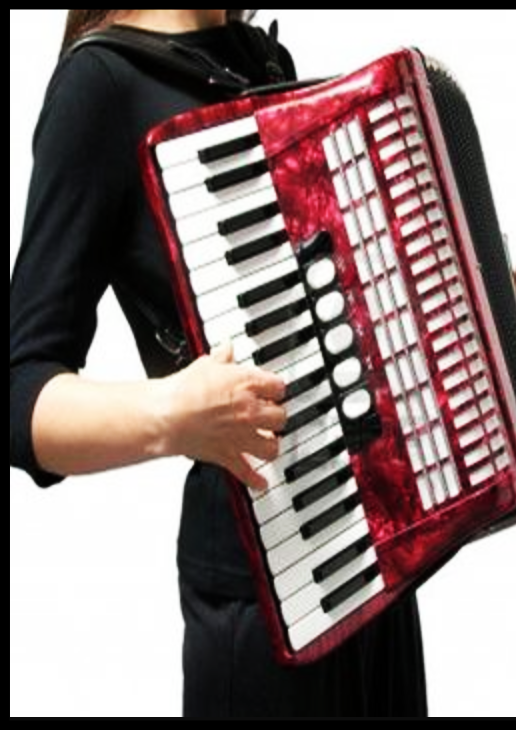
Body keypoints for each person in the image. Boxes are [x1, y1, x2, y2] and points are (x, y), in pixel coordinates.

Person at [9, 9, 430, 718]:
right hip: (260, 593)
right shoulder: (100, 85)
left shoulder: (260, 62)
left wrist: (442, 297)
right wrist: (175, 415)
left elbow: (322, 309)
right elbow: (20, 392)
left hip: (373, 560)